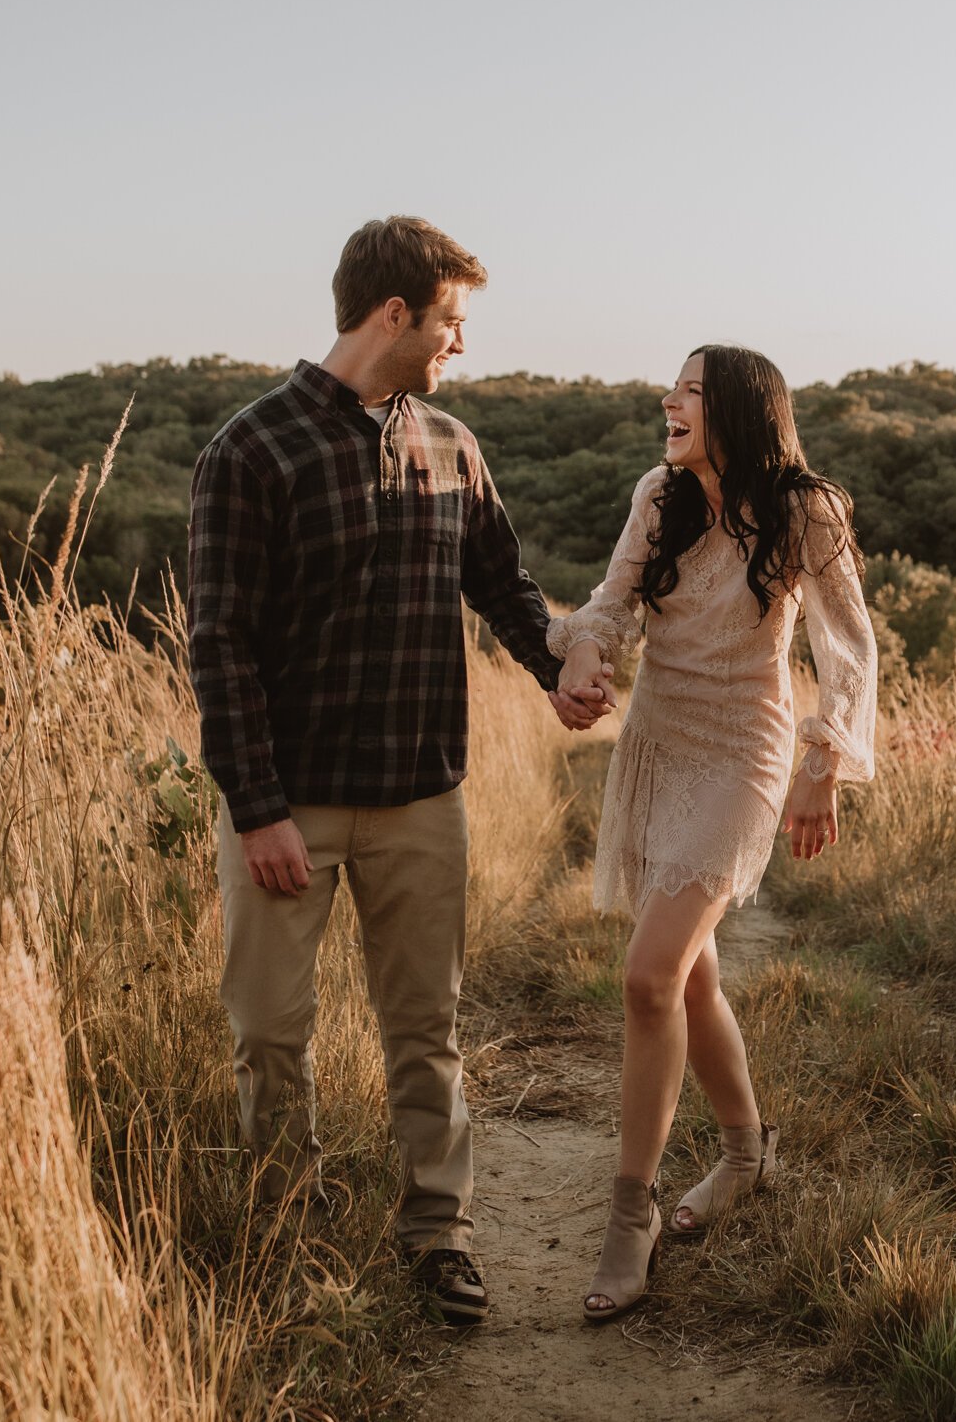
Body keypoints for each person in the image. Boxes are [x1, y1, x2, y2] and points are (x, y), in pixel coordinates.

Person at [186, 216, 608, 1327]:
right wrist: (258, 807)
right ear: (393, 314)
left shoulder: (452, 443)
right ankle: (287, 1229)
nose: (456, 346)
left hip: (423, 794)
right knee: (272, 1031)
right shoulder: (251, 449)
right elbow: (218, 645)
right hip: (288, 808)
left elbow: (503, 581)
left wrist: (553, 668)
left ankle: (440, 1234)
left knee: (426, 1027)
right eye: (450, 324)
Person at [548, 344, 877, 1322]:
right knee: (691, 976)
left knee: (649, 976)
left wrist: (824, 766)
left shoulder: (803, 507)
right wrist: (586, 657)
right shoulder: (659, 492)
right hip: (658, 739)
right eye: (672, 388)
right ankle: (745, 1153)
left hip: (747, 747)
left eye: (688, 390)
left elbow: (848, 647)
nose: (668, 401)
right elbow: (610, 600)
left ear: (734, 408)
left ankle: (628, 1210)